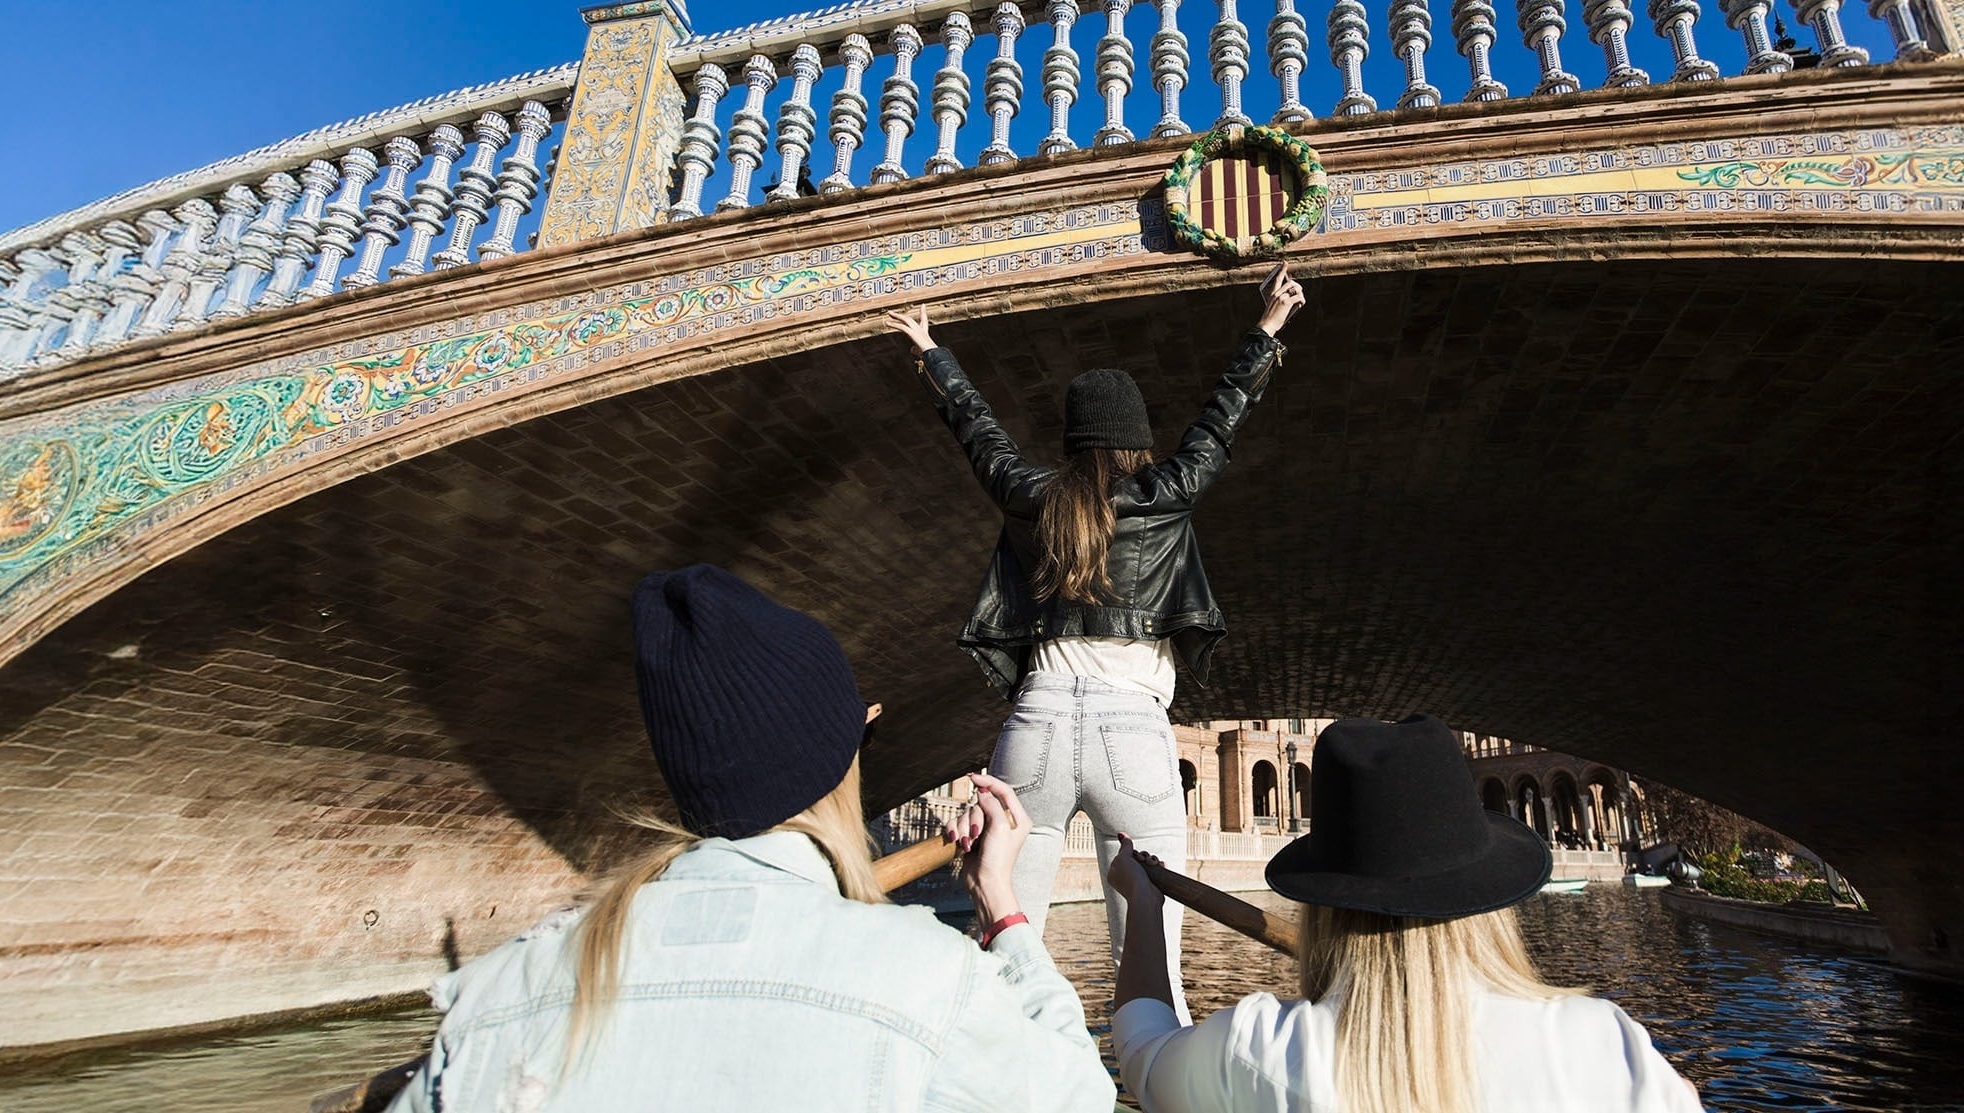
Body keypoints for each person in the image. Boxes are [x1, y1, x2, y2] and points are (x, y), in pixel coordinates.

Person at [385, 565, 1111, 1113]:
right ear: (843, 759)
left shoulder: (505, 987)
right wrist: (1002, 908)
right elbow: (1081, 1097)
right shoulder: (931, 979)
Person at [882, 264, 1307, 1017]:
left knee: (1009, 946)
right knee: (1148, 966)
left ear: (1075, 442)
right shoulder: (1165, 492)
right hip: (1133, 733)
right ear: (1135, 441)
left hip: (1034, 731)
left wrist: (930, 354)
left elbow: (978, 433)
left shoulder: (1032, 496)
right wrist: (1267, 328)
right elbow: (1220, 420)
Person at [1106, 716, 1706, 1113]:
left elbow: (1141, 1050)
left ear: (1324, 896)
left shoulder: (1258, 1048)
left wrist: (1147, 905)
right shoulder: (1598, 1042)